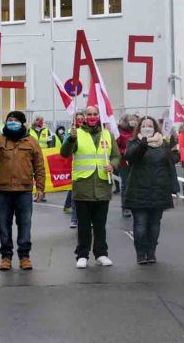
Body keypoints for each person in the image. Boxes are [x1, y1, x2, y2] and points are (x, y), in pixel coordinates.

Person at [0, 110, 46, 271]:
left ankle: (24, 256)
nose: (12, 122)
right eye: (9, 119)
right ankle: (6, 257)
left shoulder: (31, 141)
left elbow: (39, 166)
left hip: (24, 189)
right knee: (4, 225)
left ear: (22, 123)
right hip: (3, 189)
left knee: (25, 224)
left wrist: (40, 187)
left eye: (16, 120)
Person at [60, 105, 120, 268]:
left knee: (100, 224)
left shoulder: (107, 134)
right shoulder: (76, 133)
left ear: (99, 116)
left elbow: (116, 155)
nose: (92, 116)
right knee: (84, 225)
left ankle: (101, 254)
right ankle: (82, 255)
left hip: (102, 185)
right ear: (85, 117)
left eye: (95, 114)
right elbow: (64, 153)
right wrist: (70, 139)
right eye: (89, 114)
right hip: (83, 186)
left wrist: (113, 165)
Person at [124, 116, 178, 264]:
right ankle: (141, 253)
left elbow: (170, 165)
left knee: (154, 225)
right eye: (144, 126)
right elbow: (130, 157)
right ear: (139, 128)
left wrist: (174, 187)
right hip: (138, 190)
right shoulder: (133, 142)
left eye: (150, 126)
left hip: (159, 190)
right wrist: (143, 144)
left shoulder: (163, 144)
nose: (147, 128)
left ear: (155, 128)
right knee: (140, 225)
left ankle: (151, 252)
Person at [62, 113, 85, 228]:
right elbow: (65, 147)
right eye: (78, 119)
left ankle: (85, 219)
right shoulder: (70, 131)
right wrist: (71, 138)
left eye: (82, 119)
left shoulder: (87, 132)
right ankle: (74, 219)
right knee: (74, 193)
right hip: (74, 165)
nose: (80, 121)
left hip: (86, 167)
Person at [115, 114, 137, 217]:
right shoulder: (119, 133)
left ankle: (135, 205)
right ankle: (126, 207)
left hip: (135, 162)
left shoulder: (136, 132)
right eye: (130, 120)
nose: (133, 122)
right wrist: (126, 152)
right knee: (126, 185)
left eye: (134, 120)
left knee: (136, 185)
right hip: (124, 162)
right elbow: (115, 148)